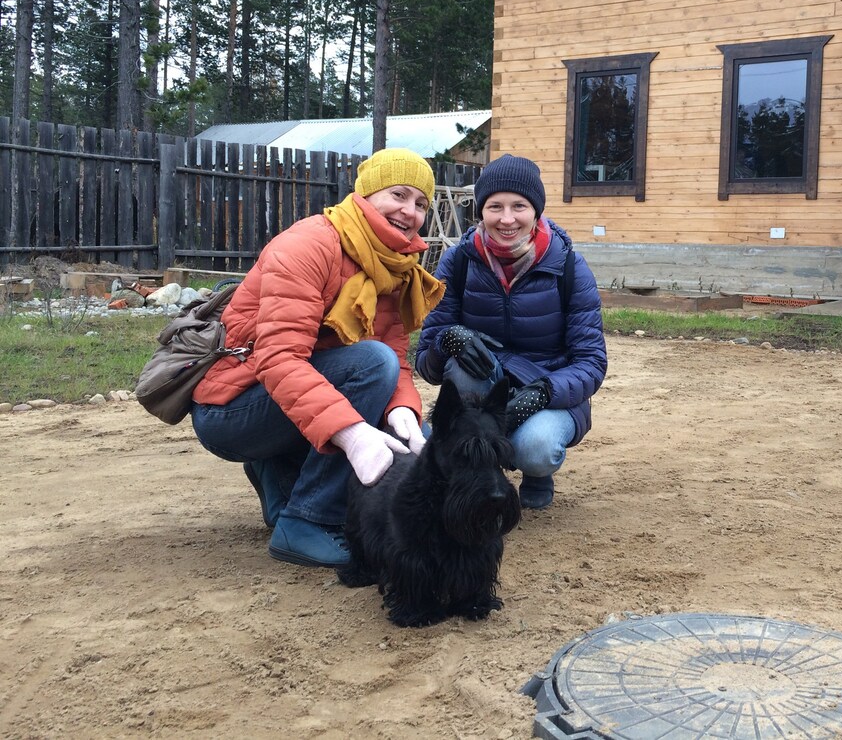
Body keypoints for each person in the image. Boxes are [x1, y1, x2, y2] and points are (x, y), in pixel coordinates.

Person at [190, 148, 445, 568]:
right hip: (232, 409)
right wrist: (353, 434)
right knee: (371, 366)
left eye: (421, 204)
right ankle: (307, 521)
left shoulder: (395, 264)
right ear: (366, 194)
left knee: (400, 404)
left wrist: (403, 410)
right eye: (398, 195)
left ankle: (278, 476)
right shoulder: (309, 244)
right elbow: (278, 359)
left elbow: (398, 357)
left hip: (285, 403)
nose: (410, 212)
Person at [415, 154, 607, 510]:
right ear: (480, 211)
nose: (507, 219)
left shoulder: (568, 266)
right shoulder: (457, 262)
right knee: (461, 370)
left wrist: (545, 392)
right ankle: (478, 474)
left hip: (549, 388)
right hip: (487, 386)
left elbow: (592, 362)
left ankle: (536, 473)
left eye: (519, 205)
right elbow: (427, 364)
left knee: (535, 448)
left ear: (535, 210)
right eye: (495, 206)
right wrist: (450, 338)